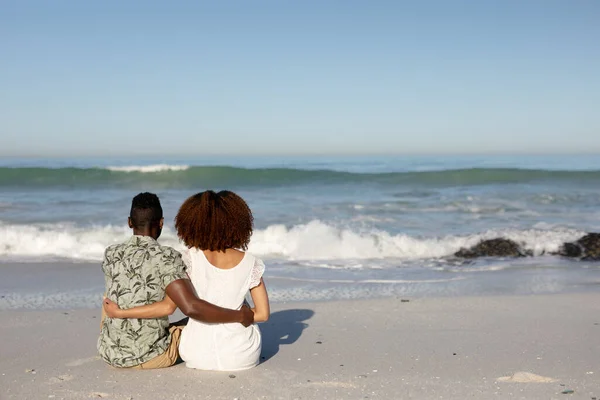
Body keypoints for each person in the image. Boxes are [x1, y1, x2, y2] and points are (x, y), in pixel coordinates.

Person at [104, 190, 270, 371]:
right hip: (241, 356)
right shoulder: (251, 263)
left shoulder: (188, 258)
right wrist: (240, 315)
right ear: (237, 224)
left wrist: (120, 313)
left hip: (194, 355)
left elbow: (171, 305)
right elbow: (263, 314)